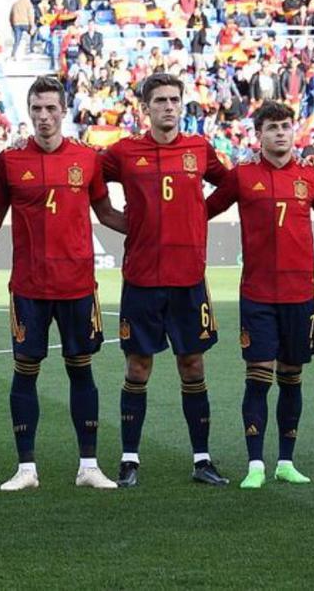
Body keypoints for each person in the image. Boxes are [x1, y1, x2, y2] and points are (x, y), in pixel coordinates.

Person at [0, 76, 125, 491]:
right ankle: (26, 468)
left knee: (81, 369)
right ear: (29, 111)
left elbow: (108, 212)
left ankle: (89, 466)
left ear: (64, 110)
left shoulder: (87, 159)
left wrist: (150, 230)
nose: (44, 116)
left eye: (51, 108)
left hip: (77, 286)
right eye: (37, 109)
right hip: (29, 287)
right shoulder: (9, 161)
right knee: (26, 370)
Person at [205, 102, 314, 489]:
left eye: (286, 126)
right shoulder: (242, 176)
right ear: (259, 134)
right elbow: (202, 211)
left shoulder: (310, 177)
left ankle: (285, 461)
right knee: (259, 376)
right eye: (272, 127)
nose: (280, 133)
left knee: (292, 376)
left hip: (301, 295)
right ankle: (255, 464)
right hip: (258, 295)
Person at [100, 73, 230, 487]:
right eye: (160, 100)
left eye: (175, 99)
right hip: (141, 278)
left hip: (188, 279)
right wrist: (122, 222)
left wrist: (196, 218)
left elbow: (231, 186)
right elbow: (83, 177)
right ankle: (129, 460)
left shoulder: (199, 149)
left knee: (192, 365)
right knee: (138, 367)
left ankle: (202, 459)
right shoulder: (124, 152)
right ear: (145, 108)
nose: (169, 106)